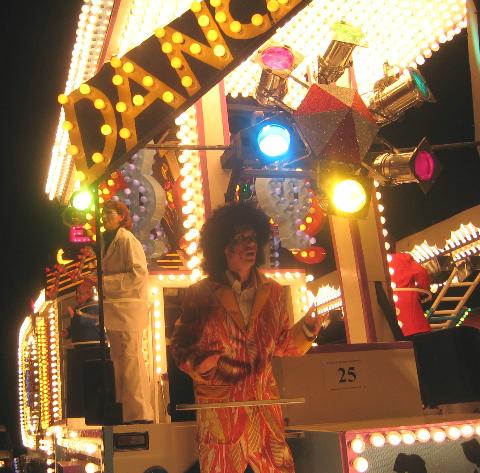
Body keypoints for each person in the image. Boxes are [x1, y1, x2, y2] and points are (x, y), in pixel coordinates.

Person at [171, 202, 322, 473]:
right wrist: (201, 365)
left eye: (252, 237)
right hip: (222, 414)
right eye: (241, 238)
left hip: (265, 414)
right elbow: (181, 345)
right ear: (223, 246)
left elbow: (282, 345)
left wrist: (307, 330)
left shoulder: (273, 292)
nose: (250, 244)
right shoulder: (200, 294)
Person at [97, 199, 154, 424]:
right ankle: (125, 411)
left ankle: (139, 413)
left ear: (121, 216)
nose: (104, 217)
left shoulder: (128, 240)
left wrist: (104, 282)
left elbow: (138, 274)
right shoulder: (104, 242)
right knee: (119, 361)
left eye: (109, 212)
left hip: (128, 309)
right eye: (103, 213)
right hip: (114, 309)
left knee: (131, 360)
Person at [390, 252, 431, 338]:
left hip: (389, 325)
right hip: (412, 317)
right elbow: (421, 273)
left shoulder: (374, 262)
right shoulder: (403, 258)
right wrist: (422, 291)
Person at [64, 279, 100, 344]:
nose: (77, 295)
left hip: (93, 343)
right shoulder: (78, 308)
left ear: (89, 294)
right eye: (76, 293)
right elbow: (77, 326)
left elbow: (89, 321)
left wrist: (74, 316)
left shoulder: (94, 306)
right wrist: (68, 332)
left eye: (80, 293)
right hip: (80, 344)